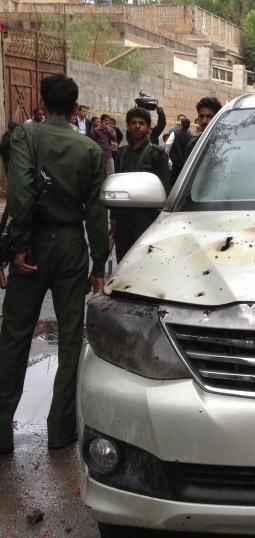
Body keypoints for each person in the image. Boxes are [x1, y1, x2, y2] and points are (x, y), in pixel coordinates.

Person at [0, 73, 108, 454]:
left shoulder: (26, 137)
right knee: (70, 339)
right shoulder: (90, 150)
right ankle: (61, 432)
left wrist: (20, 244)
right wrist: (98, 265)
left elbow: (21, 192)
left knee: (14, 337)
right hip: (71, 245)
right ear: (76, 107)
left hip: (34, 247)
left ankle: (2, 432)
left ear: (42, 104)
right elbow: (96, 211)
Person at [110, 106, 171, 262]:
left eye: (142, 123)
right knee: (123, 261)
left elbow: (164, 190)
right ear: (128, 126)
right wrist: (114, 217)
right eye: (133, 123)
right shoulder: (121, 154)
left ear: (148, 127)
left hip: (146, 219)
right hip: (123, 219)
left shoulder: (157, 154)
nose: (137, 126)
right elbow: (116, 189)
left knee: (145, 262)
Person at [166, 116, 191, 186]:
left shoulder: (174, 133)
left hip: (175, 164)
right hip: (185, 165)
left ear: (181, 125)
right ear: (189, 126)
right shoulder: (191, 137)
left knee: (173, 183)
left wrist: (168, 161)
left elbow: (167, 146)